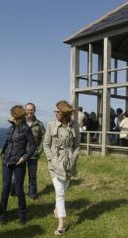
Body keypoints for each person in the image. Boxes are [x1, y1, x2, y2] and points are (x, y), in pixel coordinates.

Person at [43, 100, 80, 235]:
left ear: (64, 113)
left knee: (63, 190)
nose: (56, 113)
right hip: (55, 164)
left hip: (69, 163)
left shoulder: (74, 125)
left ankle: (57, 209)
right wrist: (50, 158)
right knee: (60, 192)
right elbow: (46, 144)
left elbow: (77, 144)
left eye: (58, 111)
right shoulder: (51, 124)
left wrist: (74, 157)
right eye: (56, 111)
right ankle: (61, 224)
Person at [0, 105, 36, 226]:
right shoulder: (11, 127)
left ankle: (22, 215)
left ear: (16, 116)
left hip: (18, 163)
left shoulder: (26, 129)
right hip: (6, 162)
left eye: (11, 114)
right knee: (5, 188)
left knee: (19, 190)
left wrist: (24, 157)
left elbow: (32, 145)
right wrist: (2, 152)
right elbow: (7, 141)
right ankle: (2, 215)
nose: (9, 116)